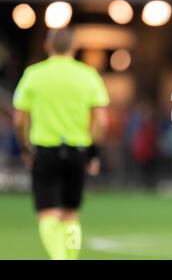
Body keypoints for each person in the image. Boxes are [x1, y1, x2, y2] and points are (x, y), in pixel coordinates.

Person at [12, 28, 109, 260]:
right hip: (77, 151)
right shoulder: (88, 75)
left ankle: (59, 257)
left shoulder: (34, 74)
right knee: (71, 214)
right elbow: (102, 122)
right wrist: (93, 153)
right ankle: (70, 258)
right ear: (73, 47)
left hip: (44, 151)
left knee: (47, 214)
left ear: (48, 45)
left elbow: (18, 120)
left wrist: (25, 149)